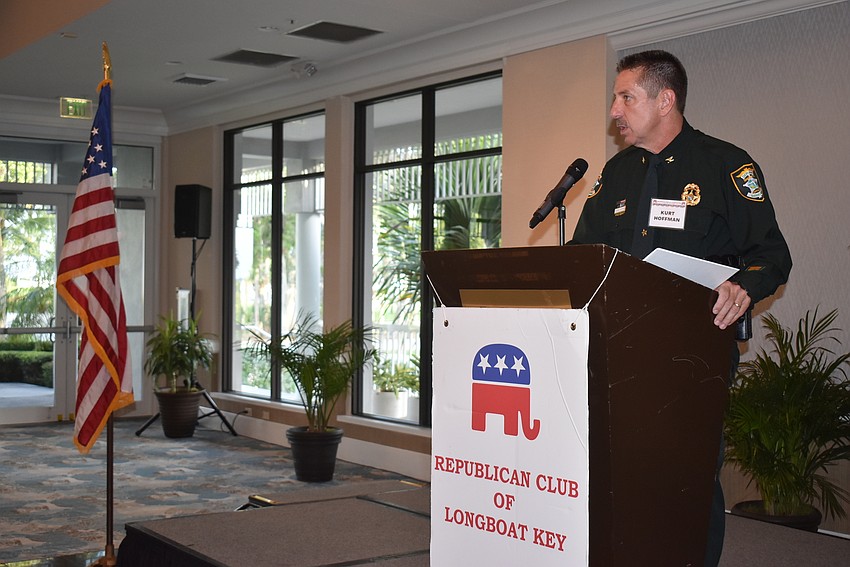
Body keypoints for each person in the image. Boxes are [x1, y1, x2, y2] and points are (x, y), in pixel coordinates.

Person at [570, 50, 792, 566]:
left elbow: (771, 256)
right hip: (617, 349)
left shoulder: (725, 165)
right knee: (620, 475)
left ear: (665, 99)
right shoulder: (615, 173)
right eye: (615, 97)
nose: (614, 111)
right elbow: (584, 258)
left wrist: (743, 288)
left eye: (626, 97)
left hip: (696, 350)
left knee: (688, 473)